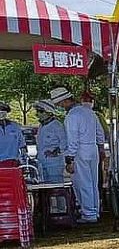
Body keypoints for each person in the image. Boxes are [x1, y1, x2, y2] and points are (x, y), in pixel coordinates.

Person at [50, 87, 104, 223]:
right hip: (93, 149)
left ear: (65, 101)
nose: (60, 107)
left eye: (60, 104)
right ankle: (94, 211)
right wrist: (100, 147)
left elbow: (72, 140)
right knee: (93, 183)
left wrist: (70, 158)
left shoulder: (72, 116)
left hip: (80, 151)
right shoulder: (89, 112)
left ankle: (88, 214)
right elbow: (100, 133)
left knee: (83, 183)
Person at [34, 100, 67, 183]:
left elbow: (64, 143)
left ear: (49, 112)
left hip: (54, 164)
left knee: (56, 188)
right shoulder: (41, 126)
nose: (38, 114)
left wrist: (55, 152)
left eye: (40, 111)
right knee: (46, 189)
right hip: (42, 163)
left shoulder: (57, 125)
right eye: (37, 111)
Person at [0, 101, 26, 166]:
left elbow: (22, 145)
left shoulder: (15, 126)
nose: (1, 113)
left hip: (13, 162)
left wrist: (24, 158)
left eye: (3, 111)